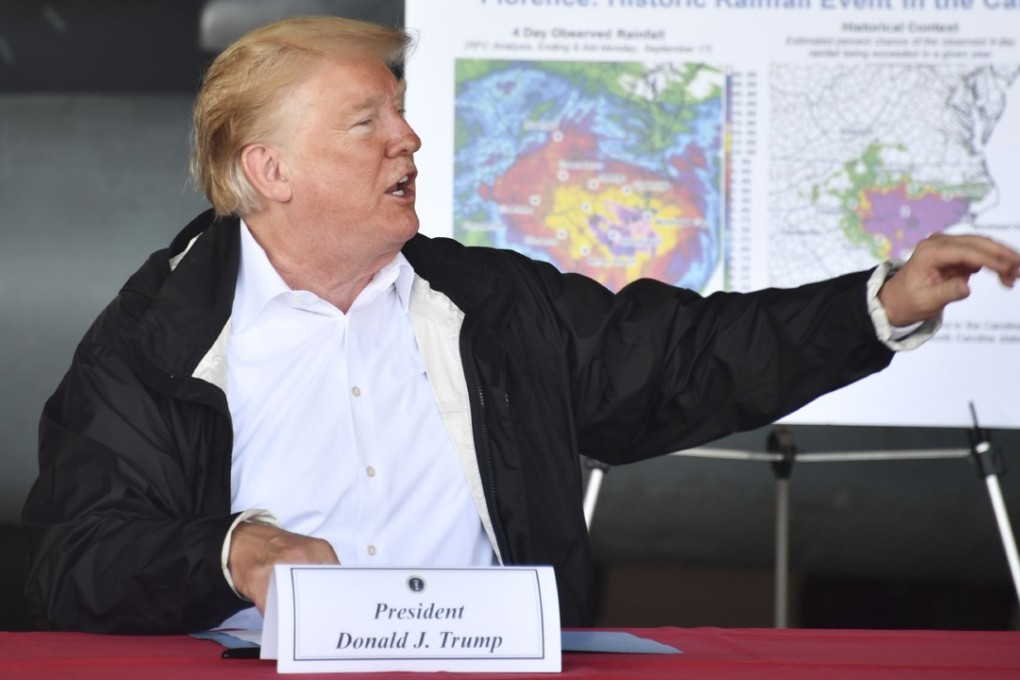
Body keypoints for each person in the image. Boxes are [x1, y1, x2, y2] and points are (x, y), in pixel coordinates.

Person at [21, 16, 1020, 634]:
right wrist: (228, 555)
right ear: (270, 172)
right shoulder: (154, 340)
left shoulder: (491, 305)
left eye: (401, 112)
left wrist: (878, 304)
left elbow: (687, 359)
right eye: (367, 121)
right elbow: (77, 558)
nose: (409, 138)